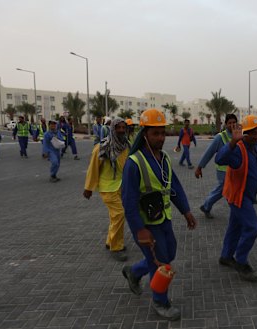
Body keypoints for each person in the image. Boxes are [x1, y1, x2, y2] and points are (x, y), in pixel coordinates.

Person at [120, 108, 197, 321]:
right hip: (146, 224)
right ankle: (160, 301)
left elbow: (175, 187)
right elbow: (128, 202)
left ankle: (134, 272)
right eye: (156, 133)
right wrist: (139, 230)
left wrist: (186, 211)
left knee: (169, 254)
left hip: (163, 218)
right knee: (160, 263)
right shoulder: (133, 163)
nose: (161, 137)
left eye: (163, 133)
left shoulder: (164, 159)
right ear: (145, 134)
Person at [215, 115, 257, 282]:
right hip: (238, 197)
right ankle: (241, 262)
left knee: (235, 228)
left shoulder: (253, 148)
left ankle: (226, 256)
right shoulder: (238, 150)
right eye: (254, 133)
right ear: (244, 133)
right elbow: (219, 158)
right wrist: (232, 142)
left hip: (246, 196)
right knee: (252, 228)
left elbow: (254, 168)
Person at [83, 118, 131, 261]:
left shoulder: (126, 146)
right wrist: (88, 188)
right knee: (119, 214)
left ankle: (110, 241)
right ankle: (116, 247)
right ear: (112, 129)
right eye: (118, 128)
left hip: (121, 187)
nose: (121, 130)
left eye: (123, 127)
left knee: (115, 216)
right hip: (107, 188)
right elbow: (93, 168)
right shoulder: (102, 147)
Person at [195, 113, 238, 219]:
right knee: (224, 190)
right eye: (229, 123)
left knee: (226, 191)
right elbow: (209, 152)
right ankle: (207, 206)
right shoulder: (220, 137)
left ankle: (207, 206)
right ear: (225, 124)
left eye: (234, 122)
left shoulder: (238, 136)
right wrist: (200, 167)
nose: (232, 125)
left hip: (234, 170)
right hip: (223, 171)